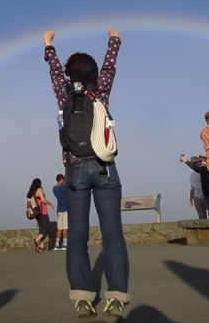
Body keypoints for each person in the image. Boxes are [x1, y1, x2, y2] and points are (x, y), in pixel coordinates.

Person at [43, 28, 129, 318]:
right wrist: (114, 39)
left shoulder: (63, 93)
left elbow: (54, 73)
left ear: (70, 73)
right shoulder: (100, 90)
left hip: (75, 170)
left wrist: (48, 46)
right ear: (92, 73)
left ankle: (82, 297)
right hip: (105, 167)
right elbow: (110, 64)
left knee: (77, 236)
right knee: (113, 236)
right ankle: (116, 297)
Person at [180, 154, 209, 219]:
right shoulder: (192, 175)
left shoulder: (206, 169)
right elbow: (192, 188)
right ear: (193, 164)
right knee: (201, 217)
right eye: (195, 162)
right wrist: (191, 199)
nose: (198, 163)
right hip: (197, 198)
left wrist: (186, 161)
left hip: (207, 196)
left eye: (199, 161)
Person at [27, 178, 53, 253]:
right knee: (46, 228)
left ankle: (41, 247)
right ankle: (36, 240)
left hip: (37, 213)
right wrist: (50, 203)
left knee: (42, 229)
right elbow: (43, 200)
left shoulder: (32, 191)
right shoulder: (39, 189)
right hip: (42, 212)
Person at [53, 173, 68, 251]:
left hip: (59, 209)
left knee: (59, 228)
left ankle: (57, 245)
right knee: (65, 227)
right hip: (65, 209)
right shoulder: (64, 188)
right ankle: (64, 244)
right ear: (61, 179)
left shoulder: (54, 188)